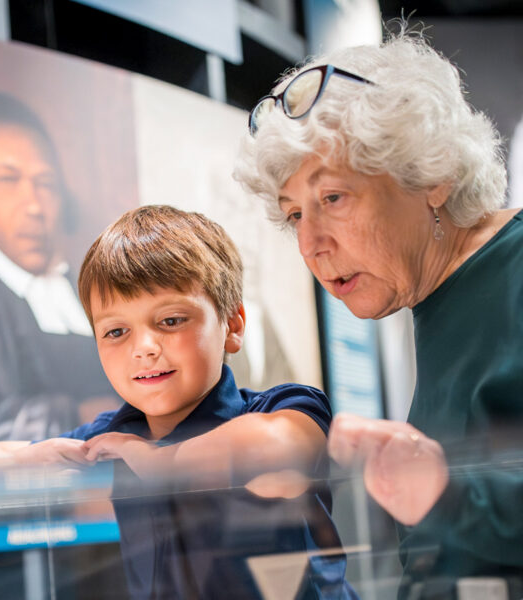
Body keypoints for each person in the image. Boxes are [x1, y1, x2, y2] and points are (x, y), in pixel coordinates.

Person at [234, 29, 523, 599]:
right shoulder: (441, 297)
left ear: (432, 175)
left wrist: (447, 493)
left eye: (333, 198)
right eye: (295, 215)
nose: (312, 243)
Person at [0, 205, 358, 600]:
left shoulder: (282, 406)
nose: (143, 349)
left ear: (232, 326)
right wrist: (35, 458)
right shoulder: (112, 436)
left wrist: (158, 461)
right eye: (116, 332)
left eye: (170, 321)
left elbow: (278, 445)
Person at [0, 92, 117, 458]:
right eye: (8, 180)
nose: (33, 206)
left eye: (45, 183)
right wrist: (75, 417)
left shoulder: (84, 288)